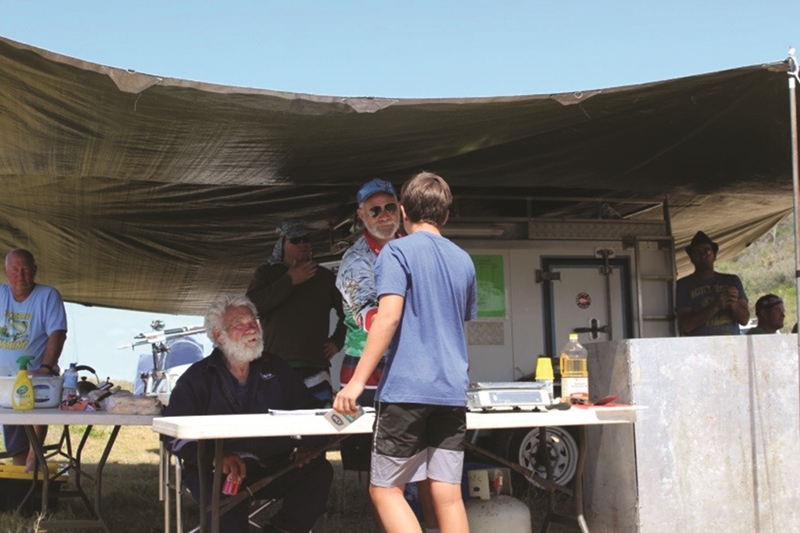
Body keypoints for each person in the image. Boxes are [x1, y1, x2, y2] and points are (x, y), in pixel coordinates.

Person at [334, 171, 478, 533]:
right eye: (374, 210)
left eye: (388, 208)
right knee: (448, 494)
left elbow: (387, 318)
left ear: (402, 210)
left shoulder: (395, 252)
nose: (384, 215)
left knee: (385, 490)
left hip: (405, 389)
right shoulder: (464, 259)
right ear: (445, 215)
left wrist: (356, 383)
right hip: (451, 390)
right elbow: (457, 320)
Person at [163, 294, 333, 533]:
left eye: (253, 321)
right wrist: (214, 457)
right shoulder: (198, 378)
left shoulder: (276, 368)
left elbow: (308, 410)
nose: (251, 328)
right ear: (218, 335)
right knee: (227, 516)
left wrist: (310, 444)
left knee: (318, 471)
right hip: (219, 472)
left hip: (273, 466)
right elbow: (171, 433)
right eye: (239, 324)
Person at [246, 218, 346, 405]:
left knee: (318, 423)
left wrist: (337, 341)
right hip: (275, 363)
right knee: (277, 423)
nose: (303, 244)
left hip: (315, 364)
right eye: (295, 240)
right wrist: (289, 280)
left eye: (306, 239)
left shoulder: (324, 277)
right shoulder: (266, 274)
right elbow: (251, 307)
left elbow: (348, 312)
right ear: (282, 244)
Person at [0, 248, 67, 471]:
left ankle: (32, 467)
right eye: (15, 269)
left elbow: (57, 334)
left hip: (35, 378)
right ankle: (23, 479)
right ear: (6, 271)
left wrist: (46, 368)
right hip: (5, 379)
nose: (21, 275)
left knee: (30, 447)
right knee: (15, 440)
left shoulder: (48, 295)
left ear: (35, 271)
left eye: (26, 269)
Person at [675, 231, 749, 336]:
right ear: (691, 258)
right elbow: (686, 325)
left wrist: (733, 303)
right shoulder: (683, 285)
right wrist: (716, 305)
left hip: (731, 347)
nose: (703, 256)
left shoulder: (731, 281)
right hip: (700, 349)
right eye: (697, 253)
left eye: (707, 251)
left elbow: (744, 320)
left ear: (715, 256)